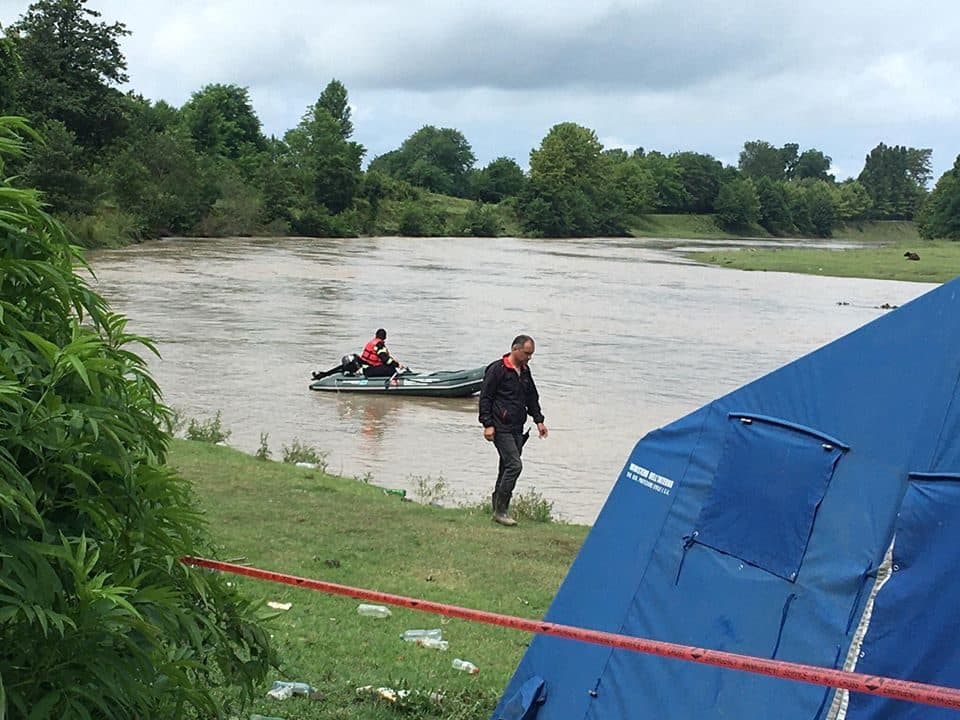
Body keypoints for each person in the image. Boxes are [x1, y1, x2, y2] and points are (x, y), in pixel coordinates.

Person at [478, 334, 548, 526]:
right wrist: (487, 424)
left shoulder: (525, 371)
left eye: (531, 354)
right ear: (515, 349)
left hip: (518, 428)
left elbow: (532, 397)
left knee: (506, 467)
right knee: (515, 466)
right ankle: (501, 511)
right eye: (527, 353)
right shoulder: (497, 369)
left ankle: (496, 508)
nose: (529, 358)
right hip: (501, 427)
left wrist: (539, 421)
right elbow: (485, 398)